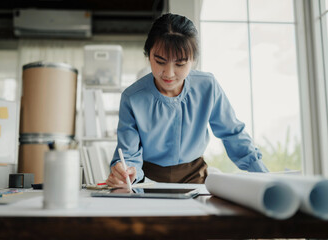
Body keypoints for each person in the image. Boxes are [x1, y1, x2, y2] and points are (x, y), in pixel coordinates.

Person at [106, 13, 268, 187]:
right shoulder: (132, 98)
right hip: (148, 182)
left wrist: (263, 176)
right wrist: (127, 173)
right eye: (160, 61)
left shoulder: (208, 86)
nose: (168, 73)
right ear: (148, 55)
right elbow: (129, 154)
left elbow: (233, 134)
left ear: (193, 61)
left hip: (197, 180)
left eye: (180, 64)